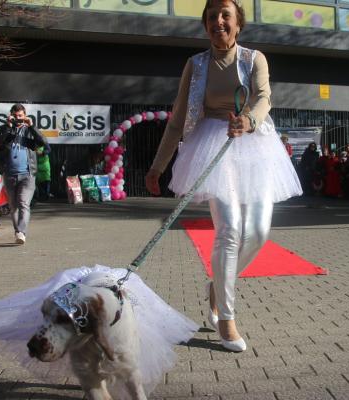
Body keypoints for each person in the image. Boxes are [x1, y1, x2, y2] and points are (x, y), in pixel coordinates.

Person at [144, 0, 302, 352]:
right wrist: (157, 166)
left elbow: (264, 97)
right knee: (229, 228)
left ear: (237, 23)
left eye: (225, 15)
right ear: (205, 25)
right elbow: (176, 119)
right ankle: (226, 318)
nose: (219, 21)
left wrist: (249, 120)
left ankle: (217, 284)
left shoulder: (253, 58)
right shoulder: (195, 65)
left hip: (254, 143)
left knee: (258, 232)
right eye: (212, 16)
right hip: (211, 145)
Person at [0, 103, 46, 245]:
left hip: (27, 173)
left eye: (20, 116)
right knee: (13, 206)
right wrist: (7, 127)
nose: (18, 119)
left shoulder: (29, 130)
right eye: (15, 116)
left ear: (25, 116)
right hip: (9, 173)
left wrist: (32, 126)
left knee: (23, 203)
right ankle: (18, 232)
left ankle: (22, 232)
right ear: (11, 116)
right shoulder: (6, 129)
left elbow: (43, 143)